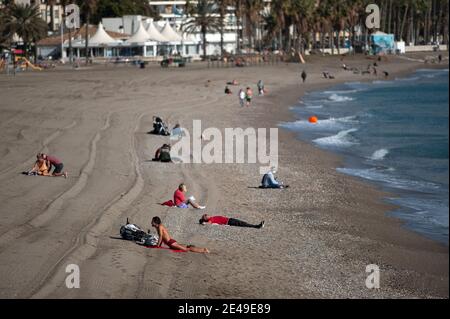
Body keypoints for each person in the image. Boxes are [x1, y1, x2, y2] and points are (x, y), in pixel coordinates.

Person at [199, 214, 265, 229]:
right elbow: (208, 223)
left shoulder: (211, 218)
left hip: (230, 220)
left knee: (243, 223)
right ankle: (257, 226)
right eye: (205, 216)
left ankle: (257, 226)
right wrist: (203, 223)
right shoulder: (211, 219)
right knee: (243, 224)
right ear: (205, 219)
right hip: (229, 222)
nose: (206, 215)